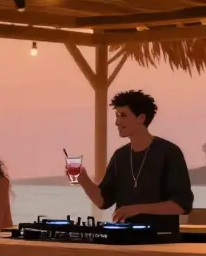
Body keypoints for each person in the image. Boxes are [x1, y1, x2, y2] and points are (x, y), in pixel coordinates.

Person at [76, 89, 194, 239]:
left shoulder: (169, 152)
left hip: (162, 241)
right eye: (117, 115)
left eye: (124, 115)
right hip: (123, 239)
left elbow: (182, 205)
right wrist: (83, 180)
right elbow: (103, 201)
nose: (117, 122)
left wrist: (137, 209)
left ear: (141, 118)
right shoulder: (120, 156)